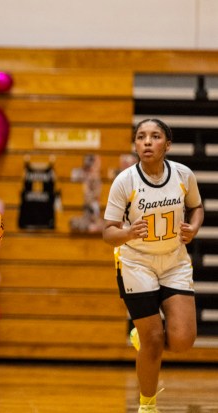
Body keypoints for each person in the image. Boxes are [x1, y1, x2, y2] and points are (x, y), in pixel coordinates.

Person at [102, 119, 204, 413]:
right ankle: (147, 406)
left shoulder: (183, 175)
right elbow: (108, 232)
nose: (147, 142)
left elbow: (197, 207)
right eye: (141, 137)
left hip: (174, 261)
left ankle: (141, 336)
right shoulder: (125, 181)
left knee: (183, 340)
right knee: (154, 341)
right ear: (135, 145)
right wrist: (128, 233)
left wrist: (194, 228)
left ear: (167, 145)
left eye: (155, 136)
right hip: (136, 263)